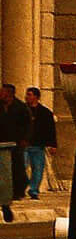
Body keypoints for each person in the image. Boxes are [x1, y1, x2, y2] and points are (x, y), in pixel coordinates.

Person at [0, 83, 28, 221]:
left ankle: (11, 197)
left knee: (13, 170)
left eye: (3, 92)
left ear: (9, 93)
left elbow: (27, 124)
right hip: (1, 143)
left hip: (14, 143)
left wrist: (24, 138)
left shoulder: (20, 107)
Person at [23, 86, 55, 200]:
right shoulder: (21, 110)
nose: (27, 97)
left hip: (38, 144)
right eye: (27, 94)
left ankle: (34, 190)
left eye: (29, 94)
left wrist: (52, 144)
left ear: (36, 97)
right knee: (21, 167)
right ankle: (20, 188)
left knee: (38, 169)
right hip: (24, 145)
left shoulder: (45, 112)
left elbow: (51, 129)